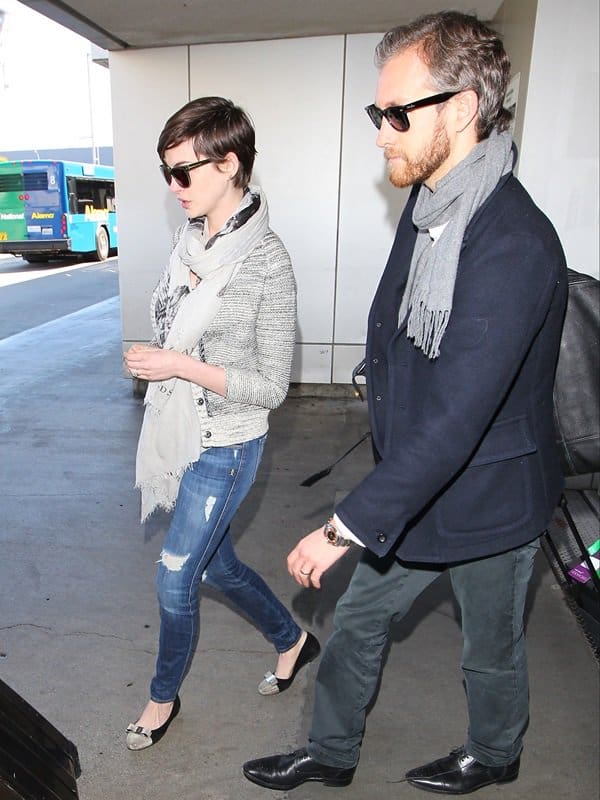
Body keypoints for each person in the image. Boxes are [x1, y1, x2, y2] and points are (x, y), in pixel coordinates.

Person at [243, 11, 567, 795]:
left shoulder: (511, 240)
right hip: (421, 483)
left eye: (397, 114)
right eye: (376, 114)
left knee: (489, 648)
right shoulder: (432, 210)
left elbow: (460, 416)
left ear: (460, 110)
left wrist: (342, 525)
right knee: (356, 624)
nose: (382, 134)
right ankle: (331, 752)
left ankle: (495, 755)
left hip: (489, 495)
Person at [123, 96, 320, 751]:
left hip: (227, 445)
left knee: (177, 572)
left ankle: (160, 699)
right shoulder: (189, 244)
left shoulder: (267, 262)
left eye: (184, 172)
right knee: (216, 566)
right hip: (179, 433)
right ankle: (292, 637)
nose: (173, 187)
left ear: (229, 164)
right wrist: (157, 362)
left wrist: (178, 362)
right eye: (166, 173)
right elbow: (172, 326)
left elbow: (269, 387)